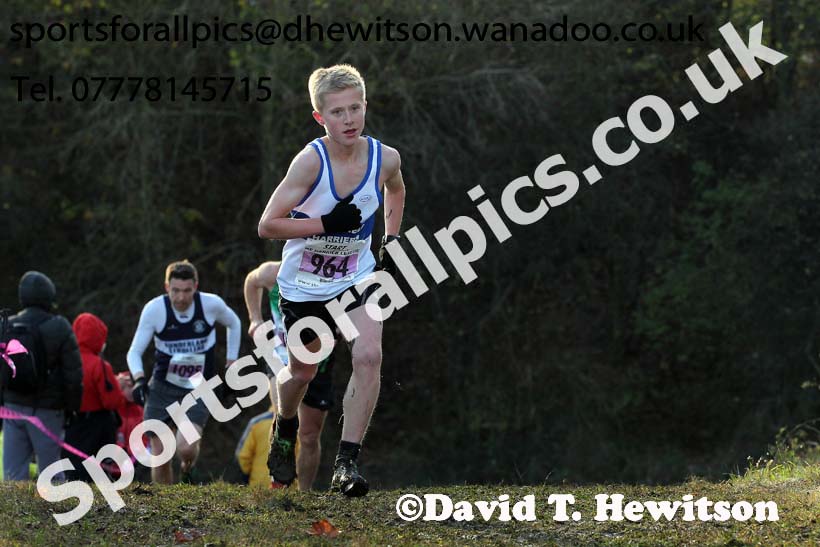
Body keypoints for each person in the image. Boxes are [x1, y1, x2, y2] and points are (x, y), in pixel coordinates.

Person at [257, 64, 406, 496]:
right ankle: (284, 425)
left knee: (369, 355)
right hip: (303, 288)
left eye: (355, 108)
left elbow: (395, 190)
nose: (349, 120)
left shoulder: (385, 157)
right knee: (301, 374)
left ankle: (347, 463)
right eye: (337, 112)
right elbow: (268, 225)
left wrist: (390, 243)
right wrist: (324, 222)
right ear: (320, 118)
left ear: (365, 106)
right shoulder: (309, 163)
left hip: (355, 278)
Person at [126, 260, 241, 484]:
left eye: (187, 291)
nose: (181, 298)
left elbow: (234, 323)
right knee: (160, 453)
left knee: (185, 448)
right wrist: (139, 380)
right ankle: (165, 505)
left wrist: (231, 364)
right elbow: (134, 352)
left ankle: (187, 468)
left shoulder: (210, 305)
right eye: (175, 291)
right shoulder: (155, 310)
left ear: (195, 286)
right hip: (163, 387)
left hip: (199, 387)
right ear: (166, 287)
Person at [244, 261, 335, 490]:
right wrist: (255, 318)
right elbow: (251, 282)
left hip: (319, 360)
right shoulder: (273, 272)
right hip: (281, 359)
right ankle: (279, 483)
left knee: (309, 435)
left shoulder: (335, 273)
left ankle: (304, 492)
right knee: (283, 416)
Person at [1, 271, 83, 481]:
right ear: (49, 296)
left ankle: (14, 514)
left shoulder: (7, 325)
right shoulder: (60, 327)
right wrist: (72, 409)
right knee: (51, 474)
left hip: (12, 408)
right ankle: (56, 512)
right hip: (48, 411)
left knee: (12, 475)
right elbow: (73, 375)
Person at [63, 312, 125, 481]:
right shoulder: (99, 365)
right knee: (98, 471)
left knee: (74, 466)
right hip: (98, 425)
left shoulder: (65, 361)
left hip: (72, 424)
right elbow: (111, 400)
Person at [234, 404, 275, 488]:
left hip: (258, 486)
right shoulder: (299, 424)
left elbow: (242, 456)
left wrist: (246, 476)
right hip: (288, 489)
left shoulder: (256, 422)